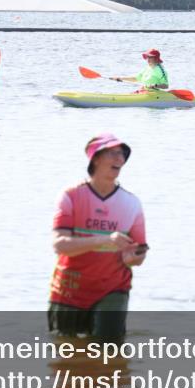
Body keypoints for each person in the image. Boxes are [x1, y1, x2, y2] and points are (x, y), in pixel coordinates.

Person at [49, 133, 148, 342]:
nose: (120, 159)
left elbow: (138, 253)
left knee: (109, 353)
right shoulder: (71, 196)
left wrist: (135, 257)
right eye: (113, 153)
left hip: (113, 289)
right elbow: (59, 245)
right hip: (69, 288)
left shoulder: (132, 203)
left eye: (122, 154)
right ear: (95, 158)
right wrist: (104, 240)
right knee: (67, 355)